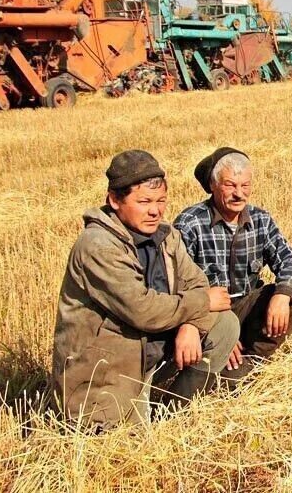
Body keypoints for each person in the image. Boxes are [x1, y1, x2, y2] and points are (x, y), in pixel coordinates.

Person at [52, 150, 238, 428]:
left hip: (151, 354)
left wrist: (192, 326)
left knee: (224, 324)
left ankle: (174, 410)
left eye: (161, 201)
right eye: (144, 201)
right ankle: (132, 411)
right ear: (114, 200)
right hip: (110, 370)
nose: (155, 210)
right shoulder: (97, 246)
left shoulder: (166, 235)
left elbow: (196, 282)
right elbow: (142, 309)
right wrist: (201, 303)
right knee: (124, 446)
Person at [174, 148, 292, 382]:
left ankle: (255, 359)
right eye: (230, 185)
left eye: (245, 186)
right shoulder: (190, 223)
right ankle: (225, 359)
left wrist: (282, 295)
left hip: (245, 307)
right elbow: (176, 286)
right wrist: (221, 331)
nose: (239, 194)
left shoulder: (260, 219)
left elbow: (289, 259)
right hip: (208, 314)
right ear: (213, 185)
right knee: (228, 379)